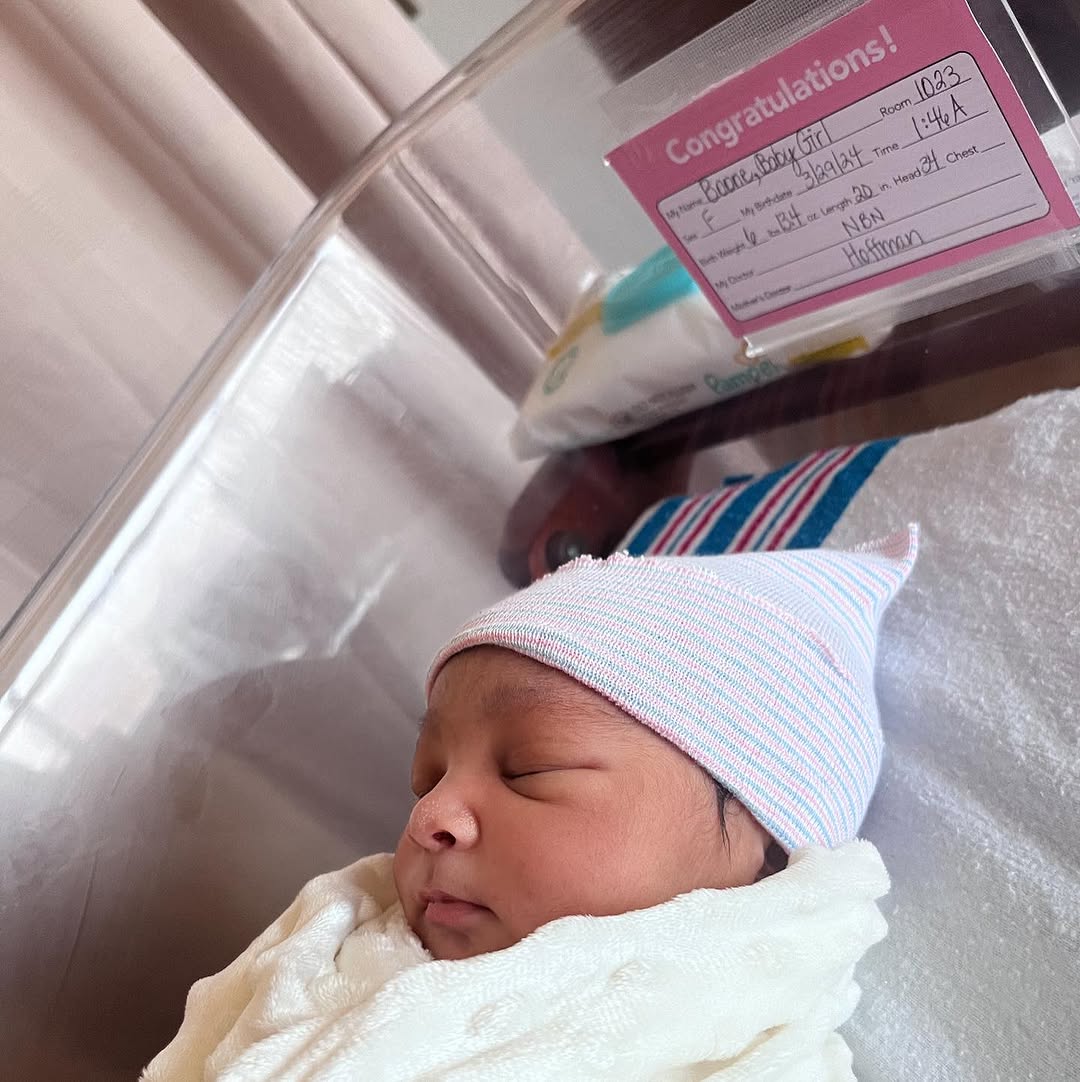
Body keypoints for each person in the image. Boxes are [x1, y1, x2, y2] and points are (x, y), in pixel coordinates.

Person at [144, 527, 917, 1081]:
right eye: (426, 777)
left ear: (763, 850)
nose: (429, 816)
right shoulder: (337, 954)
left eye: (528, 771)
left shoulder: (754, 1050)